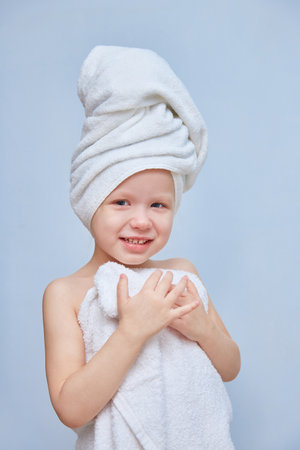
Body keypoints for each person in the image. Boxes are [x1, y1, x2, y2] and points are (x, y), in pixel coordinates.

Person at [43, 46, 241, 450]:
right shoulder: (66, 294)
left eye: (159, 205)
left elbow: (230, 367)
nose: (142, 220)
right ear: (90, 202)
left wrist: (202, 329)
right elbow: (71, 409)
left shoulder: (181, 273)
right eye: (121, 202)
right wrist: (133, 330)